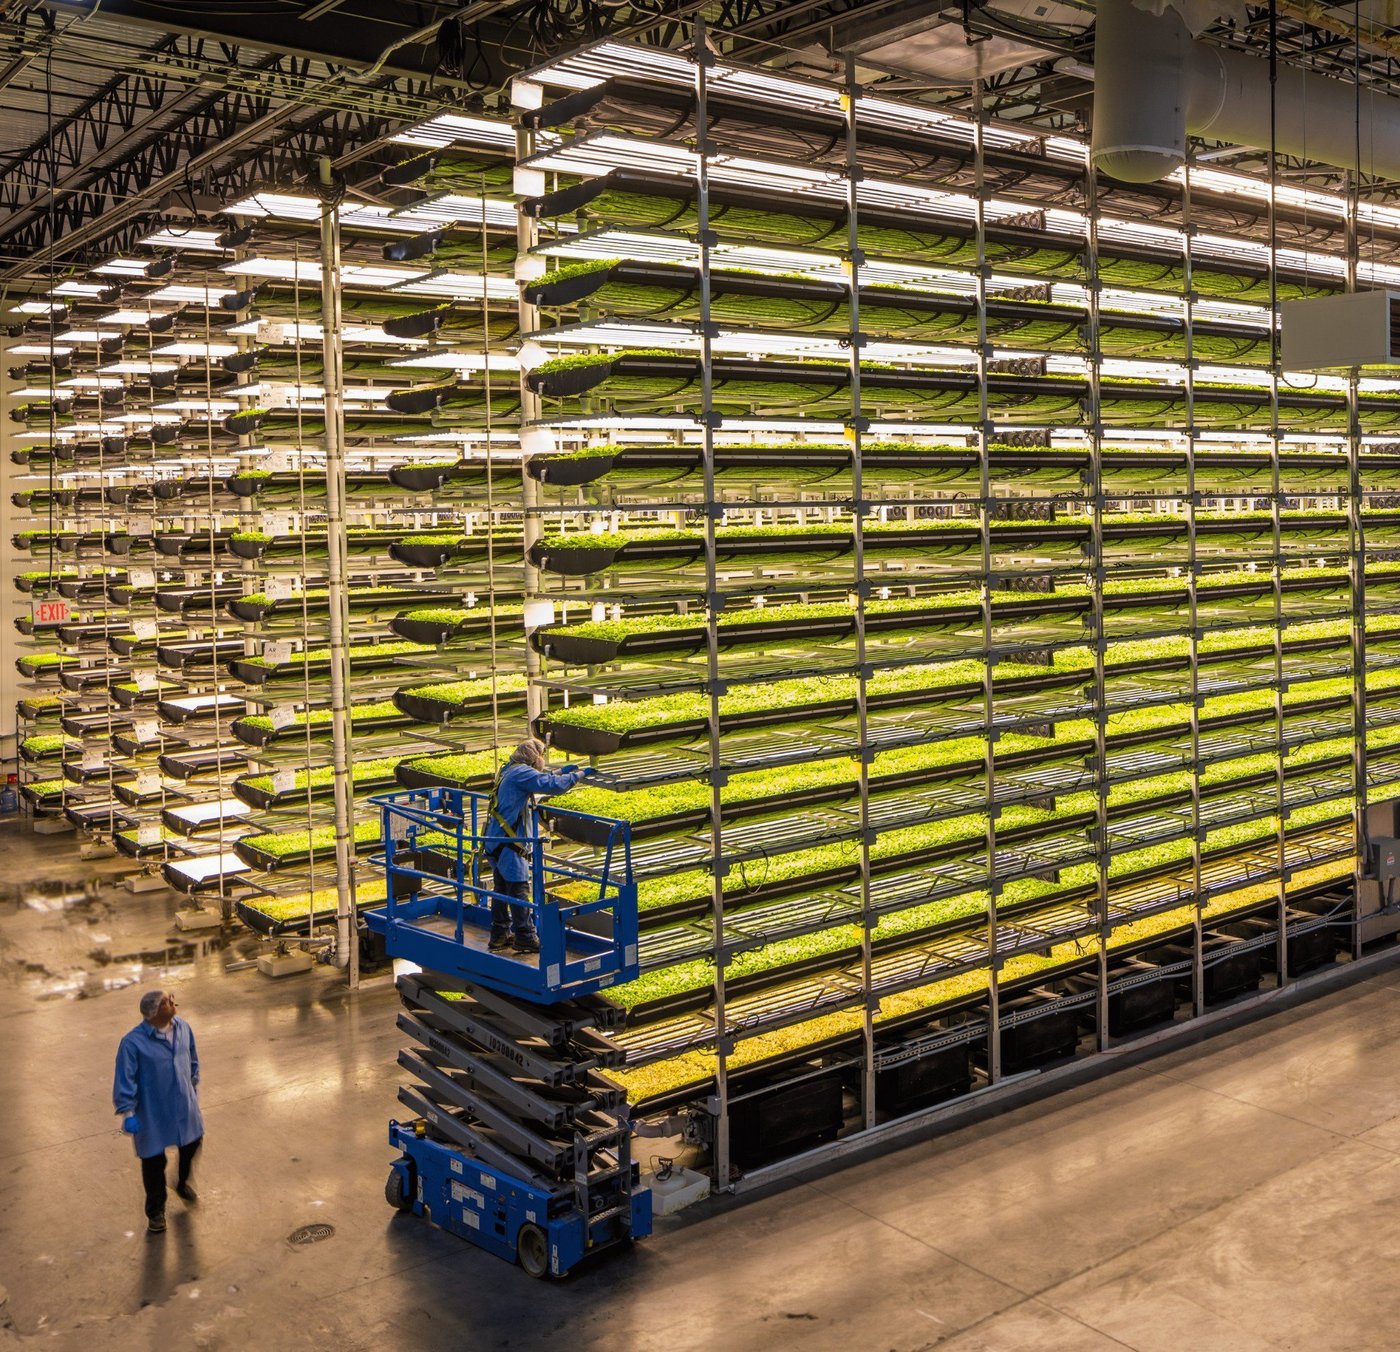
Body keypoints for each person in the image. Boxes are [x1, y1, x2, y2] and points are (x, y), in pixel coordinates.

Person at [482, 738, 589, 954]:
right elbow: (550, 785)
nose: (542, 759)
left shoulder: (509, 769)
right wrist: (577, 776)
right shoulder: (521, 773)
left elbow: (539, 779)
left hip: (496, 840)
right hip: (509, 844)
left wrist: (558, 772)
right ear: (533, 757)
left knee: (502, 889)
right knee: (519, 888)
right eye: (541, 755)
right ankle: (525, 936)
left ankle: (499, 935)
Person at [113, 989, 204, 1234]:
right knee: (154, 1163)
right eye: (166, 1002)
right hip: (152, 1111)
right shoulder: (132, 1043)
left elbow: (192, 1058)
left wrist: (192, 1084)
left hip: (184, 1105)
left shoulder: (183, 1028)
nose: (173, 1002)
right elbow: (125, 1078)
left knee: (192, 1144)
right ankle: (155, 1212)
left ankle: (182, 1182)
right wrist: (128, 1113)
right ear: (153, 1012)